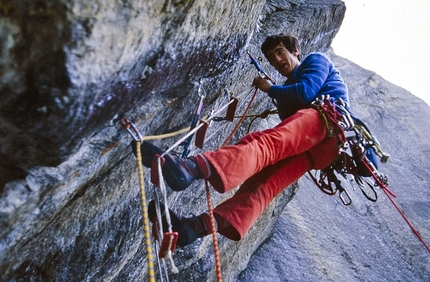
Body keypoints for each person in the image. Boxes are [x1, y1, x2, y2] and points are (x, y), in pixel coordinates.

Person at [135, 34, 351, 247]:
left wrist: (271, 89)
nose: (276, 60)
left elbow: (306, 92)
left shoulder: (316, 59)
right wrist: (278, 91)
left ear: (295, 51)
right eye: (271, 57)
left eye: (280, 52)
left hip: (327, 118)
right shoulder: (288, 86)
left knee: (266, 144)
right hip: (320, 150)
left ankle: (190, 168)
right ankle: (194, 229)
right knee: (262, 186)